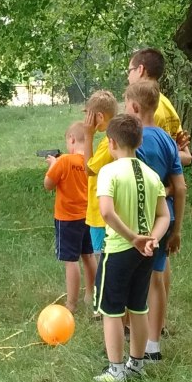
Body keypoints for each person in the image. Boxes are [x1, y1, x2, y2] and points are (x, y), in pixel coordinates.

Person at [92, 114, 170, 382]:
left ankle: (116, 370)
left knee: (111, 310)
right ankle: (136, 365)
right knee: (138, 306)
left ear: (111, 142)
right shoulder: (151, 174)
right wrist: (152, 239)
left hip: (118, 250)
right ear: (138, 142)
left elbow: (106, 212)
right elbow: (164, 215)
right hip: (145, 253)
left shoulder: (109, 171)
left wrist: (132, 237)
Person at [128, 47, 190, 339]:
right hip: (167, 216)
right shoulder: (167, 130)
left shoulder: (134, 138)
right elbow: (181, 178)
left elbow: (127, 175)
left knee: (134, 277)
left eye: (130, 70)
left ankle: (131, 331)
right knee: (156, 276)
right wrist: (176, 229)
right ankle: (155, 337)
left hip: (140, 216)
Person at [44, 122, 98, 314]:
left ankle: (72, 304)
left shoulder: (65, 161)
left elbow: (48, 184)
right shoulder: (92, 162)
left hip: (67, 219)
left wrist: (53, 165)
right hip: (88, 217)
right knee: (89, 256)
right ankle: (91, 294)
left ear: (72, 139)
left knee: (71, 260)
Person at [79, 90, 119, 317]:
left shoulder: (107, 142)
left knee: (101, 259)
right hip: (107, 211)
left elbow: (89, 169)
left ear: (100, 117)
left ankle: (103, 305)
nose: (87, 122)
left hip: (99, 214)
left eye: (89, 116)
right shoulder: (114, 139)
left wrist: (88, 136)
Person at [127, 48, 192, 166]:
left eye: (130, 71)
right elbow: (186, 156)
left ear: (140, 70)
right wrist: (171, 151)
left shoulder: (143, 110)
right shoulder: (166, 104)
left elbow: (130, 155)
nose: (128, 77)